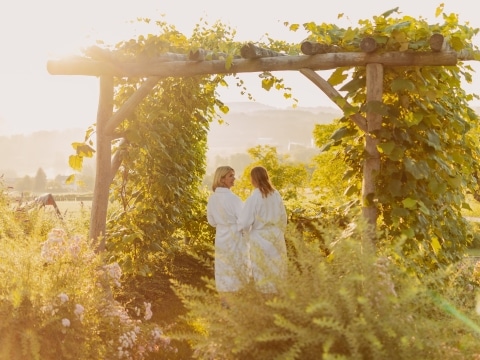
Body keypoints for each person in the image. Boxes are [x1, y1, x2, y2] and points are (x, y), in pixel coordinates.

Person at [238, 166, 288, 293]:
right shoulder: (276, 194)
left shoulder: (254, 198)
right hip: (276, 235)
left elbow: (244, 222)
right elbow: (283, 217)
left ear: (253, 179)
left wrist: (245, 234)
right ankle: (279, 302)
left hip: (260, 237)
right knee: (278, 269)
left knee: (263, 270)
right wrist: (279, 231)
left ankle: (267, 302)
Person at [207, 166, 250, 297]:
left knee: (223, 268)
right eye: (230, 176)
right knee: (237, 266)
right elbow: (244, 220)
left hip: (221, 236)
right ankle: (238, 302)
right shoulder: (234, 199)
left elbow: (212, 221)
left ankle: (225, 302)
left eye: (233, 175)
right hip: (235, 236)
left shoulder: (212, 199)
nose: (234, 178)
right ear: (222, 179)